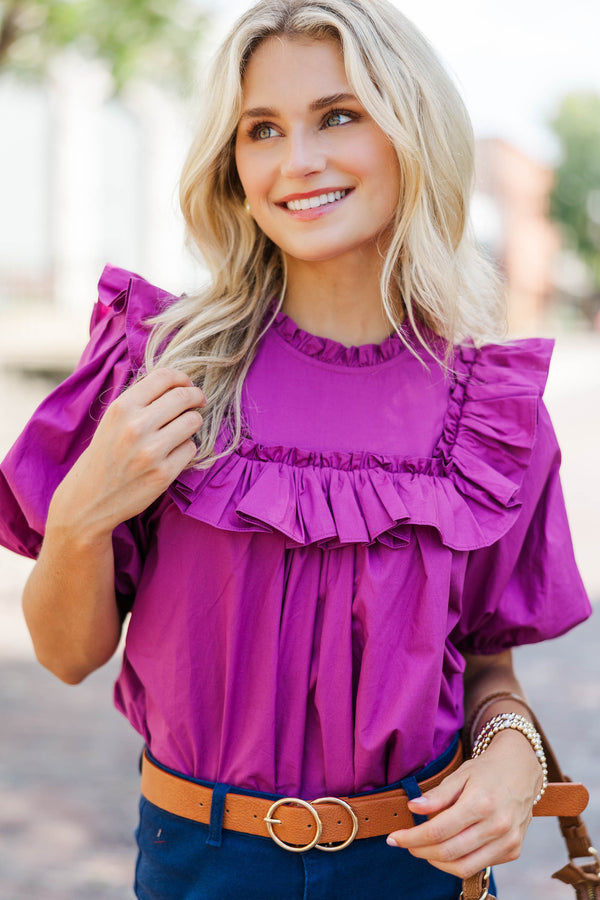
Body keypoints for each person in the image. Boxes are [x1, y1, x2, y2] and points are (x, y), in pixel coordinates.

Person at [0, 1, 592, 897]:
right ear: (232, 167)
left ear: (411, 129)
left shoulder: (490, 413)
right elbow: (66, 653)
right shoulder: (160, 367)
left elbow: (485, 663)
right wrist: (81, 511)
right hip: (197, 861)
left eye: (339, 116)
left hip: (419, 866)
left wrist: (512, 756)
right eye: (262, 130)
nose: (297, 161)